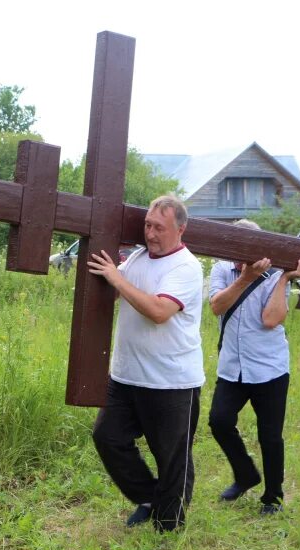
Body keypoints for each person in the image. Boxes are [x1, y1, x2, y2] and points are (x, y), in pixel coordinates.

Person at [86, 195, 204, 532]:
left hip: (172, 381)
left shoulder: (186, 267)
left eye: (160, 228)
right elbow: (113, 289)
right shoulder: (138, 258)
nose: (150, 233)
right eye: (148, 225)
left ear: (181, 229)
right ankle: (151, 498)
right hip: (126, 377)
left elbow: (158, 312)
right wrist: (110, 278)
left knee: (172, 457)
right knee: (107, 437)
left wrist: (116, 278)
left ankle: (169, 524)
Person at [207, 219, 300, 514]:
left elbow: (271, 319)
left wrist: (283, 280)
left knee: (270, 435)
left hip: (270, 368)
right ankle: (246, 475)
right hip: (233, 366)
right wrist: (245, 277)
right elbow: (217, 306)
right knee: (219, 421)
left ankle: (273, 496)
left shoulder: (276, 273)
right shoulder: (221, 269)